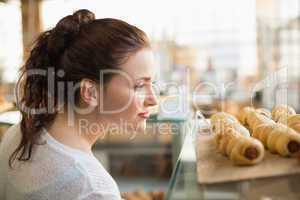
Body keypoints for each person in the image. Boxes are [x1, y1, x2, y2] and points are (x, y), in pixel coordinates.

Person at [0, 9, 158, 200]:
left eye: (153, 84)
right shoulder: (93, 190)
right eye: (140, 85)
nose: (153, 99)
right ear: (90, 92)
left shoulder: (20, 133)